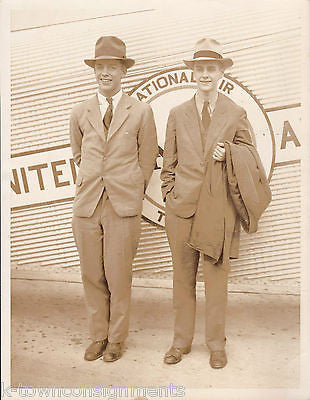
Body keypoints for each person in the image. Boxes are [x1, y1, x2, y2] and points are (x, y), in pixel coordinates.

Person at [160, 37, 270, 368]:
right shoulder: (177, 113)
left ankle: (216, 344)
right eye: (200, 69)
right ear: (193, 73)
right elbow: (168, 166)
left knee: (216, 281)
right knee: (182, 279)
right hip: (182, 211)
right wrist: (171, 194)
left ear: (221, 73)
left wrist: (231, 153)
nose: (205, 74)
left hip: (218, 212)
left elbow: (252, 156)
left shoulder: (235, 112)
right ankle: (180, 342)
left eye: (212, 68)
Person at [70, 36, 158, 362]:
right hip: (87, 205)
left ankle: (117, 339)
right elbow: (79, 154)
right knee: (92, 274)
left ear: (123, 71)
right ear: (95, 70)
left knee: (119, 275)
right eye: (100, 66)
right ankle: (98, 336)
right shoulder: (80, 112)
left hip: (123, 205)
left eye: (112, 66)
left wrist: (131, 188)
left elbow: (147, 159)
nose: (105, 73)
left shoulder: (141, 112)